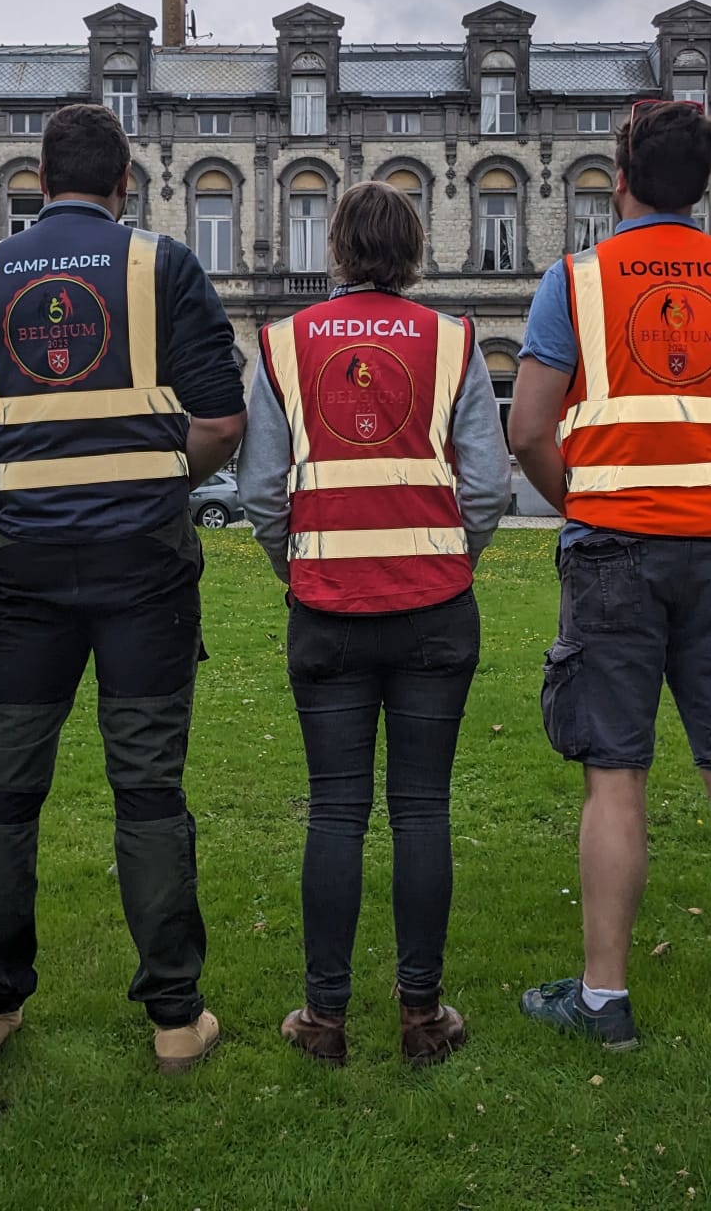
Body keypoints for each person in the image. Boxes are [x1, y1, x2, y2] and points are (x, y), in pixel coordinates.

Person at [0, 103, 245, 1074]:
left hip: (28, 570)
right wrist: (157, 478)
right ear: (126, 182)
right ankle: (175, 1019)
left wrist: (7, 476)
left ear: (37, 181)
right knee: (148, 788)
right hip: (147, 568)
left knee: (6, 789)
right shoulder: (163, 267)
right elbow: (222, 424)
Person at [506, 99, 711, 1053]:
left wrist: (585, 499)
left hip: (611, 547)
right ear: (707, 187)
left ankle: (604, 1001)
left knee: (615, 777)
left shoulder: (576, 280)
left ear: (620, 182)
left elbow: (527, 429)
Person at [240, 182, 512, 1068]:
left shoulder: (284, 344)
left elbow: (258, 491)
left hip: (327, 615)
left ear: (337, 251)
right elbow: (488, 487)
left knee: (337, 811)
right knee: (423, 809)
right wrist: (450, 559)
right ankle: (423, 1015)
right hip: (436, 610)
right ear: (415, 253)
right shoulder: (454, 341)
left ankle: (323, 1020)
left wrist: (301, 568)